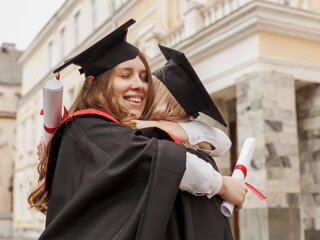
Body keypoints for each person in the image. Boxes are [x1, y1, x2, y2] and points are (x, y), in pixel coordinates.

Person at [28, 19, 247, 240]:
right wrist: (223, 185)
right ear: (93, 83)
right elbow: (162, 161)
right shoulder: (87, 126)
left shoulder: (109, 130)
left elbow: (219, 142)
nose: (139, 84)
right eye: (125, 75)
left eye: (144, 77)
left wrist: (160, 125)